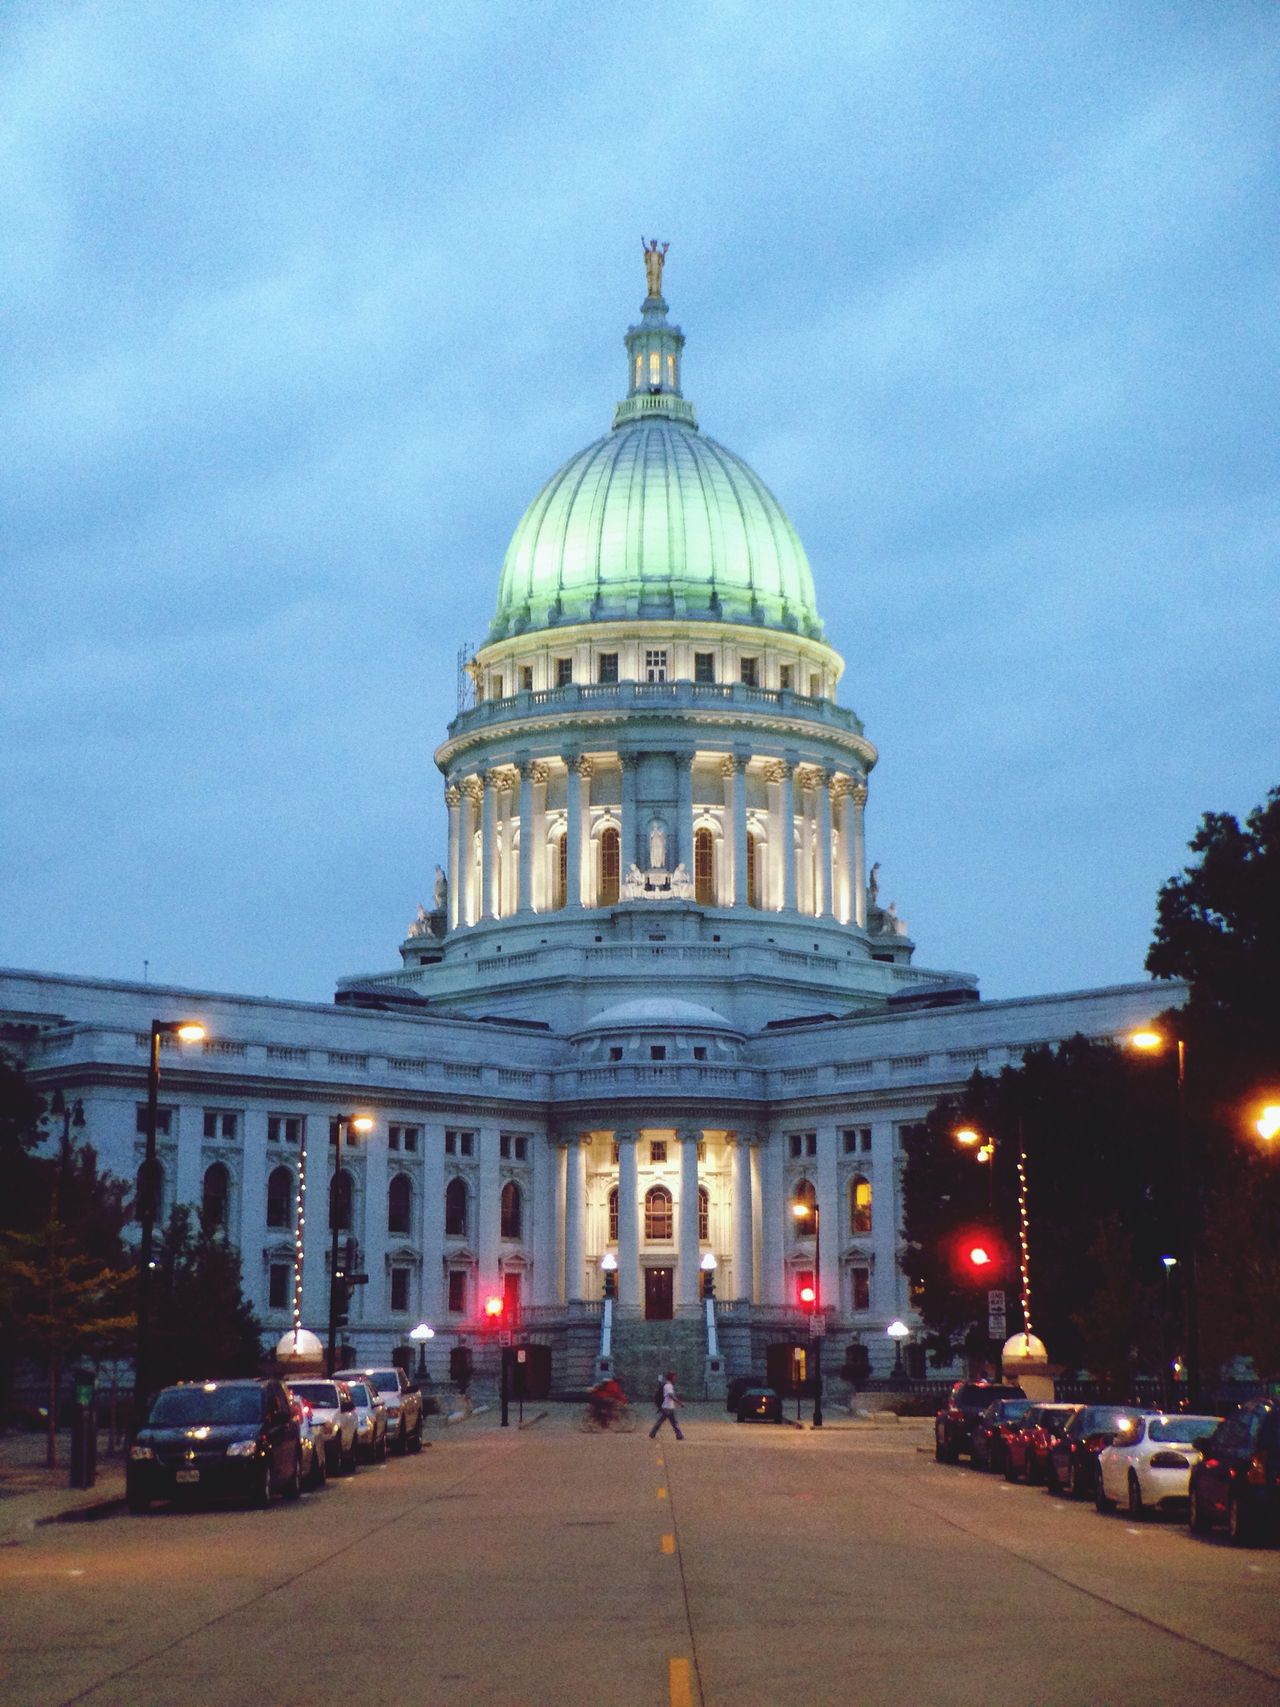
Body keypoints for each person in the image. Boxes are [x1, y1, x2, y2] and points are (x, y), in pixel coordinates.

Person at [649, 1370, 684, 1440]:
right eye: (674, 1377)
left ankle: (679, 1435)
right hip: (667, 1408)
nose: (675, 1378)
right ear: (671, 1378)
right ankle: (679, 1435)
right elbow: (671, 1396)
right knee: (671, 1422)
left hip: (669, 1407)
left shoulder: (668, 1385)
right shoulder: (668, 1386)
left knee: (671, 1422)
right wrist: (679, 1403)